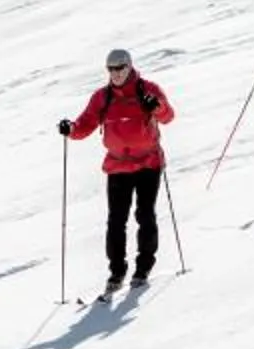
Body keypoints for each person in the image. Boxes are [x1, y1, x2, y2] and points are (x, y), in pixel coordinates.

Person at [58, 46, 177, 291]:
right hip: (118, 166)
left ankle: (143, 267)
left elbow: (168, 117)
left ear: (129, 66)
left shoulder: (149, 90)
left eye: (120, 68)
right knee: (116, 221)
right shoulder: (102, 97)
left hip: (149, 162)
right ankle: (116, 271)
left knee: (145, 214)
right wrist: (71, 129)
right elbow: (86, 123)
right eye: (111, 69)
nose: (116, 73)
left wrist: (157, 107)